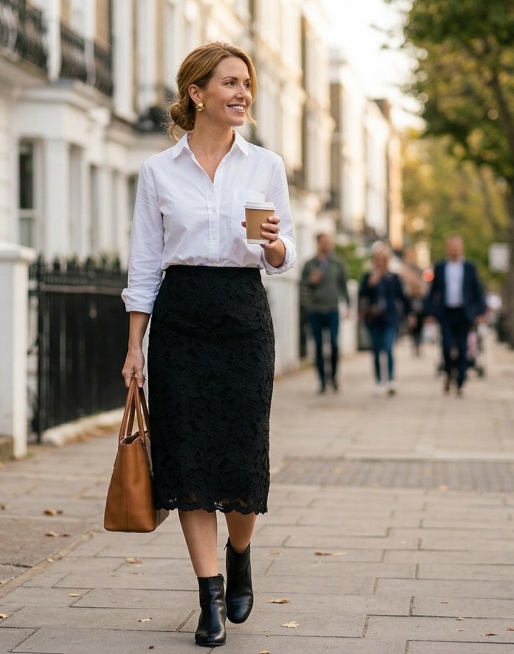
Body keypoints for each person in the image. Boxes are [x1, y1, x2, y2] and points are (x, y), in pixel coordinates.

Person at [120, 42, 296, 648]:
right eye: (230, 83)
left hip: (244, 315)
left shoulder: (265, 165)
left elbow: (282, 255)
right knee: (187, 459)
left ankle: (240, 550)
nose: (242, 92)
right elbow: (144, 264)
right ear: (198, 93)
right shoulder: (158, 171)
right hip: (181, 319)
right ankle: (210, 598)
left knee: (243, 457)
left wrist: (273, 245)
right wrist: (134, 348)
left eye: (246, 83)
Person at [424, 234, 486, 397]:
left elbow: (477, 292)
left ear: (461, 248)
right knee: (446, 346)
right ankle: (449, 372)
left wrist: (480, 312)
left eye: (457, 247)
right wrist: (429, 313)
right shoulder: (440, 267)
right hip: (445, 312)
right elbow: (433, 292)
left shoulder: (469, 267)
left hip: (463, 313)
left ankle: (460, 381)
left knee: (463, 347)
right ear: (447, 249)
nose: (454, 250)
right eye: (451, 247)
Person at [300, 232, 350, 393]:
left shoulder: (337, 263)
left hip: (332, 309)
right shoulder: (310, 264)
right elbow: (302, 285)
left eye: (329, 242)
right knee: (319, 346)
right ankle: (322, 381)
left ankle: (334, 377)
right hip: (315, 309)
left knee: (334, 344)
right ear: (318, 243)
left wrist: (347, 306)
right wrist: (310, 281)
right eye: (324, 242)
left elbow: (343, 286)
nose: (327, 244)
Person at [358, 245, 408, 396]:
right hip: (373, 318)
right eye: (377, 260)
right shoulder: (368, 277)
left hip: (390, 317)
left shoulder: (393, 278)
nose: (380, 263)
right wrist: (370, 284)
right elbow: (361, 295)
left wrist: (409, 314)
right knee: (376, 350)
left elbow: (402, 297)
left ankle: (391, 379)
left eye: (383, 260)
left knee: (388, 347)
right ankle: (378, 381)